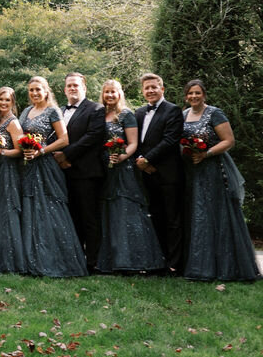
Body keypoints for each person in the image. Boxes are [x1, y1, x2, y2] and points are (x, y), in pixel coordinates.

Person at [180, 80, 260, 281]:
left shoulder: (214, 113)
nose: (194, 96)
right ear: (186, 96)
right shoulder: (183, 115)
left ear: (204, 95)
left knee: (216, 214)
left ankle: (225, 267)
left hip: (213, 170)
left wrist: (205, 154)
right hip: (191, 171)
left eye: (198, 93)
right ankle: (198, 266)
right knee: (197, 215)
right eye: (190, 93)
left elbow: (229, 141)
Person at [17, 76, 87, 277]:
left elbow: (64, 139)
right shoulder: (26, 111)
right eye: (31, 90)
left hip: (46, 166)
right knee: (30, 207)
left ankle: (58, 260)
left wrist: (41, 151)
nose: (34, 93)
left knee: (49, 208)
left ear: (46, 90)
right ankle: (32, 259)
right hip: (28, 166)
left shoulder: (53, 111)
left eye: (38, 89)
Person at [96, 80, 164, 274]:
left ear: (120, 94)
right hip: (105, 169)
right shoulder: (99, 115)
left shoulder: (126, 115)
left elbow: (133, 143)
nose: (109, 95)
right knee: (109, 212)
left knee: (127, 210)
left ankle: (136, 260)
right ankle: (111, 260)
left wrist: (121, 157)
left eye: (113, 92)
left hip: (124, 169)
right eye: (106, 92)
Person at [53, 72, 106, 272]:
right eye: (69, 86)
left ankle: (93, 261)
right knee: (71, 217)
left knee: (89, 218)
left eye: (76, 85)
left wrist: (66, 155)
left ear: (84, 87)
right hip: (61, 173)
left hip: (86, 172)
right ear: (65, 89)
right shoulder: (58, 110)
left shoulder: (96, 109)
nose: (73, 88)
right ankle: (75, 260)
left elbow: (93, 136)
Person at [133, 72, 184, 273]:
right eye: (147, 88)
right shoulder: (138, 113)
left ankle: (175, 264)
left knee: (173, 219)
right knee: (154, 216)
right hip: (146, 174)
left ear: (162, 89)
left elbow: (170, 140)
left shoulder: (172, 110)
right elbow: (135, 141)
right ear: (143, 91)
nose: (150, 90)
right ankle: (159, 261)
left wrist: (149, 159)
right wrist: (141, 162)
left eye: (154, 87)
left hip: (168, 174)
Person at [0, 86, 26, 275]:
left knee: (7, 211)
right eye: (0, 99)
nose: (3, 103)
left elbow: (20, 149)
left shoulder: (12, 123)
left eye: (7, 100)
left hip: (9, 170)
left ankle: (11, 260)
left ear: (12, 102)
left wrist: (2, 152)